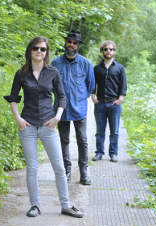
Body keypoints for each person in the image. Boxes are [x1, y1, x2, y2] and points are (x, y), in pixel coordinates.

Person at [4, 36, 84, 218]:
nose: (39, 52)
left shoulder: (53, 72)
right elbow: (14, 98)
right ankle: (35, 206)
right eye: (36, 48)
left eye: (43, 49)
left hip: (48, 125)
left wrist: (57, 117)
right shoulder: (21, 73)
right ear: (30, 51)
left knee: (59, 167)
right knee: (32, 168)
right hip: (28, 126)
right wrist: (18, 119)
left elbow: (62, 97)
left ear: (47, 52)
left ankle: (66, 205)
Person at [52, 30, 95, 185]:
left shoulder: (86, 64)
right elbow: (51, 86)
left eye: (74, 42)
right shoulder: (55, 63)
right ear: (66, 43)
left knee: (82, 140)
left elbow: (90, 87)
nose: (71, 44)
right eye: (69, 41)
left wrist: (78, 98)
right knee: (63, 140)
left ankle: (83, 172)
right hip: (60, 109)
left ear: (78, 45)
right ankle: (66, 170)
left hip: (79, 109)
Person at [91, 40, 127, 162]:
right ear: (102, 51)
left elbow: (123, 84)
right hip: (100, 103)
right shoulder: (96, 68)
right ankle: (99, 152)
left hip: (114, 103)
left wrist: (120, 98)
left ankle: (113, 153)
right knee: (99, 130)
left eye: (111, 49)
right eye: (106, 49)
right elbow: (93, 83)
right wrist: (93, 96)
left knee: (114, 131)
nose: (108, 51)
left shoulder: (120, 68)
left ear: (114, 51)